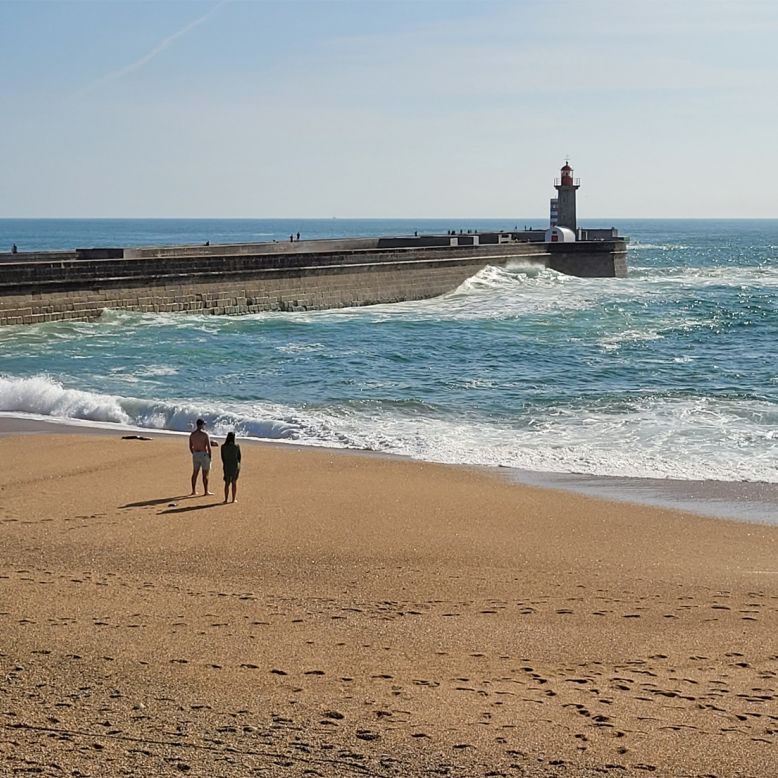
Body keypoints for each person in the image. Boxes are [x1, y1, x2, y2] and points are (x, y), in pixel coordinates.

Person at [189, 418, 213, 495]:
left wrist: (193, 453)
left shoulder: (192, 434)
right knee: (205, 474)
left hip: (195, 453)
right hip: (203, 454)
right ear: (201, 425)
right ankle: (206, 491)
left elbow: (190, 446)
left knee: (195, 473)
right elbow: (209, 447)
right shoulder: (205, 434)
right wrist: (210, 456)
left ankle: (193, 490)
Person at [220, 431, 241, 503]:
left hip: (226, 464)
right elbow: (239, 458)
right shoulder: (236, 447)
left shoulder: (223, 447)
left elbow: (222, 457)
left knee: (227, 483)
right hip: (234, 465)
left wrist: (225, 463)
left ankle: (226, 499)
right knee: (234, 482)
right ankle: (233, 499)